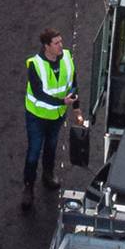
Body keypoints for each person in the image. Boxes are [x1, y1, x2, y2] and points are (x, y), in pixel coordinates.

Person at [21, 28, 80, 208]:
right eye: (56, 43)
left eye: (61, 42)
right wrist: (62, 101)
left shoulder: (67, 58)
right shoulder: (35, 65)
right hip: (37, 117)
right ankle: (28, 188)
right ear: (47, 46)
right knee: (33, 152)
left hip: (57, 117)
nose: (61, 46)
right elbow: (39, 93)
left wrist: (76, 108)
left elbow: (73, 83)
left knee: (51, 147)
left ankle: (48, 175)